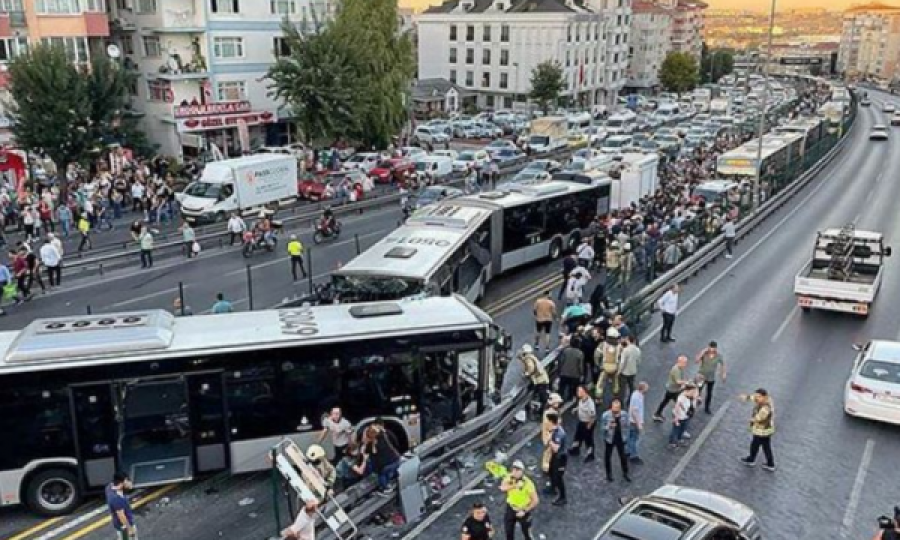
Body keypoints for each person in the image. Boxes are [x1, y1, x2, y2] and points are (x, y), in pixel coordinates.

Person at [499, 460, 538, 540]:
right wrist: (514, 486)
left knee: (527, 533)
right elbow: (502, 488)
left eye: (517, 470)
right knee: (508, 532)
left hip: (523, 510)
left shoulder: (528, 484)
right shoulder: (509, 477)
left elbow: (535, 500)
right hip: (511, 508)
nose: (515, 472)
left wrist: (524, 511)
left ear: (522, 471)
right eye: (514, 469)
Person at [739, 388, 776, 471]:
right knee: (766, 446)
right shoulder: (764, 400)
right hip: (766, 430)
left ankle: (751, 459)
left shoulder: (766, 407)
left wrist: (751, 419)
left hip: (762, 431)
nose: (756, 398)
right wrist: (747, 397)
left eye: (758, 397)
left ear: (764, 397)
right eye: (756, 396)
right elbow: (754, 398)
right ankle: (770, 464)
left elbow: (759, 418)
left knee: (755, 445)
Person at [600, 399, 631, 482]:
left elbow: (627, 426)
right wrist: (608, 426)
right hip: (610, 439)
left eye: (618, 408)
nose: (616, 410)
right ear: (611, 407)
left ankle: (625, 472)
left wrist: (626, 437)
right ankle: (608, 474)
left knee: (623, 456)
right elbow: (602, 428)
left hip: (621, 438)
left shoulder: (624, 415)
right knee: (607, 457)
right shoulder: (606, 415)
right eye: (614, 408)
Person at [653, 355, 689, 422]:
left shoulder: (679, 368)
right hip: (673, 390)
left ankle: (657, 414)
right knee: (679, 402)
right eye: (684, 363)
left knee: (665, 401)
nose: (685, 364)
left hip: (673, 389)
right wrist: (686, 382)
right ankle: (680, 416)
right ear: (680, 362)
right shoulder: (676, 370)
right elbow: (678, 381)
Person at [695, 341, 726, 414]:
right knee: (697, 391)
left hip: (711, 377)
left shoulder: (718, 356)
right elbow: (696, 361)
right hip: (701, 376)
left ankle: (707, 408)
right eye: (710, 348)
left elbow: (723, 364)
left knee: (709, 393)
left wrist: (723, 374)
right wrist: (702, 352)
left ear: (716, 348)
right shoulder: (704, 354)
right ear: (708, 347)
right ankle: (693, 406)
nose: (712, 350)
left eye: (713, 348)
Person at [568, 385, 596, 462]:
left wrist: (589, 425)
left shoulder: (590, 403)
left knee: (588, 439)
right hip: (581, 421)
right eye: (577, 391)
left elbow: (593, 416)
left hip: (587, 422)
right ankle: (575, 449)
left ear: (585, 392)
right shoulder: (581, 399)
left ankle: (590, 454)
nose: (578, 393)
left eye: (580, 391)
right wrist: (576, 409)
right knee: (578, 436)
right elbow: (580, 406)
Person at [545, 411, 567, 505]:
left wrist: (549, 439)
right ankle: (553, 488)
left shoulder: (559, 433)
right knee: (550, 471)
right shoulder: (554, 429)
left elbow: (556, 448)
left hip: (560, 457)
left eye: (548, 421)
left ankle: (563, 497)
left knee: (558, 478)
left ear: (551, 422)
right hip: (555, 456)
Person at [105, 472, 136, 540]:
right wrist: (130, 529)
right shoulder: (117, 499)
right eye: (128, 480)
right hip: (124, 528)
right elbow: (121, 516)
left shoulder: (109, 488)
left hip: (119, 525)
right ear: (123, 482)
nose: (130, 482)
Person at [668, 382, 697, 448]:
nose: (693, 393)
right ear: (688, 390)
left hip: (685, 416)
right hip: (679, 416)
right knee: (675, 430)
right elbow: (677, 408)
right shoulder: (681, 397)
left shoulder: (689, 397)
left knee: (682, 429)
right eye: (692, 392)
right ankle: (672, 442)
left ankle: (679, 439)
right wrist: (676, 418)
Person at [627, 382, 648, 463]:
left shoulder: (636, 394)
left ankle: (628, 451)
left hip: (633, 421)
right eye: (646, 388)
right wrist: (638, 424)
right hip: (634, 422)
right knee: (635, 439)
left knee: (630, 437)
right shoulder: (637, 397)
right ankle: (633, 455)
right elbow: (634, 412)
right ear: (642, 389)